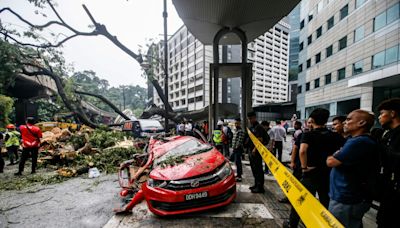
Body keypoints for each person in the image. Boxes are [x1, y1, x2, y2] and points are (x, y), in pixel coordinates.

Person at [284, 108, 345, 228]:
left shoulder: (308, 134)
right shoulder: (336, 136)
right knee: (325, 202)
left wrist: (304, 167)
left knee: (300, 201)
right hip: (327, 174)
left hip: (310, 174)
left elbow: (302, 151)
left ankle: (292, 224)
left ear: (312, 120)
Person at [327, 110, 377, 227]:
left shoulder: (359, 142)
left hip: (347, 199)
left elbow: (331, 162)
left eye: (349, 119)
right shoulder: (354, 140)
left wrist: (334, 155)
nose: (345, 122)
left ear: (361, 123)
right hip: (346, 197)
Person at [376, 98, 400, 228]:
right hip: (387, 189)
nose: (379, 117)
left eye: (382, 113)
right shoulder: (388, 135)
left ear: (392, 113)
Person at [279, 120, 304, 204]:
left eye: (295, 124)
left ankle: (290, 198)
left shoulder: (299, 133)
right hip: (297, 159)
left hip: (298, 161)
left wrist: (293, 159)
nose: (294, 126)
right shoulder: (300, 133)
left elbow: (297, 147)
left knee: (295, 181)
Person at [247, 111, 269, 193]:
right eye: (249, 119)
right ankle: (256, 184)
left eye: (251, 118)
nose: (250, 120)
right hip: (251, 151)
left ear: (255, 117)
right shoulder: (252, 126)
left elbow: (260, 139)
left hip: (256, 151)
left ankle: (260, 187)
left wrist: (254, 149)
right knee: (254, 168)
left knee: (258, 169)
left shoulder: (258, 127)